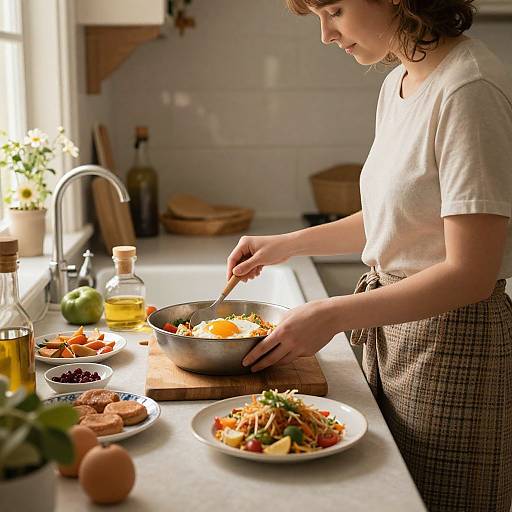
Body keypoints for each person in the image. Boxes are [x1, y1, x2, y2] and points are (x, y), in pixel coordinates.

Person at [226, 1, 512, 511]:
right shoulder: (399, 83)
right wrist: (287, 244)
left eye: (333, 9)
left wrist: (333, 314)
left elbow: (471, 273)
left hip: (452, 346)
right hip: (392, 334)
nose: (326, 35)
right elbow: (396, 217)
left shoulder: (469, 91)